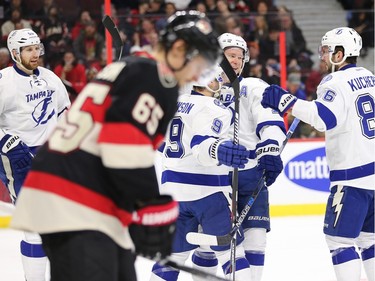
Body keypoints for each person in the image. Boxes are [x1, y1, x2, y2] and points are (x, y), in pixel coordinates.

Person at [11, 10, 223, 281]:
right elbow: (124, 145)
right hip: (74, 198)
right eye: (201, 66)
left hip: (76, 192)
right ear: (180, 49)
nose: (198, 77)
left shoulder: (133, 66)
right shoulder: (156, 77)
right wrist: (151, 207)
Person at [261, 27, 374, 281]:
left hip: (352, 177)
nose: (321, 56)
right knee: (370, 240)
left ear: (340, 54)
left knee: (339, 241)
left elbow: (324, 119)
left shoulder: (335, 81)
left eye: (326, 51)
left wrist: (286, 102)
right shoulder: (369, 76)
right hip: (373, 174)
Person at [191, 32, 286, 281]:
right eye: (229, 55)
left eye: (239, 56)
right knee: (210, 244)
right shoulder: (203, 90)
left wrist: (271, 148)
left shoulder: (253, 86)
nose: (234, 60)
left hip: (250, 174)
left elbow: (271, 122)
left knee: (256, 239)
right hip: (215, 179)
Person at [150, 69, 253, 280]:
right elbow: (201, 145)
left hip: (172, 195)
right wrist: (218, 150)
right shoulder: (215, 108)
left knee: (170, 259)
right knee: (231, 255)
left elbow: (160, 144)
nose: (220, 85)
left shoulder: (174, 103)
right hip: (207, 193)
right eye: (217, 80)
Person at [0, 28, 70, 281]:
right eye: (28, 49)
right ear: (15, 53)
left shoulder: (50, 78)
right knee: (34, 230)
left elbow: (64, 112)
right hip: (18, 159)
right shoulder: (4, 81)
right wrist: (7, 141)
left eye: (36, 48)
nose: (35, 54)